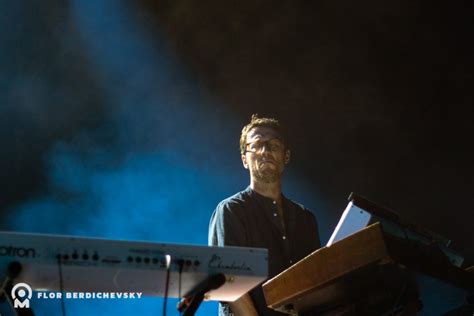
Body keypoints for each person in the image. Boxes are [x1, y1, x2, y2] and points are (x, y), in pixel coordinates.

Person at [208, 114, 321, 315]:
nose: (265, 151)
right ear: (244, 159)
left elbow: (317, 283)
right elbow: (229, 284)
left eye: (274, 145)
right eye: (257, 144)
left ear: (286, 157)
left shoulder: (306, 218)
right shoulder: (231, 211)